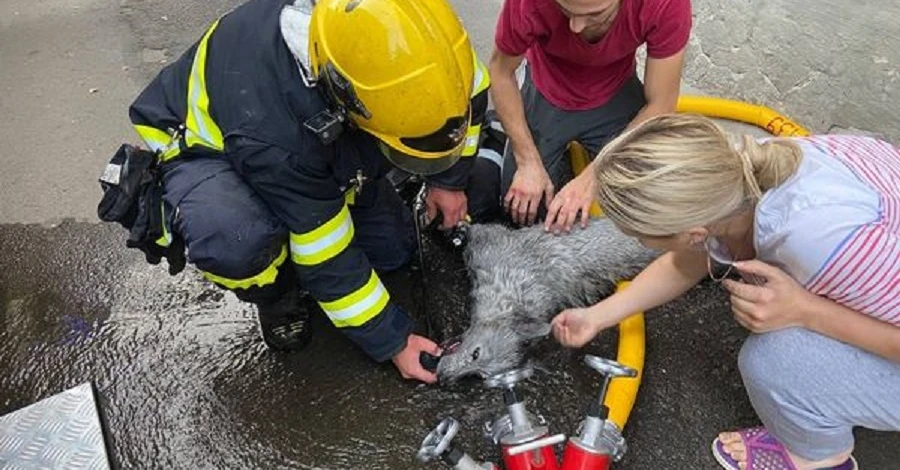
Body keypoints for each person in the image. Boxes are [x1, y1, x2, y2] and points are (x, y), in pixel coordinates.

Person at [118, 0, 491, 385]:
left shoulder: (419, 46)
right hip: (210, 150)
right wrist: (393, 340)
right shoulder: (276, 136)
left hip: (297, 140)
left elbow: (473, 94)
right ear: (347, 101)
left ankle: (325, 198)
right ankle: (276, 293)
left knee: (393, 251)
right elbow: (325, 250)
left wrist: (449, 181)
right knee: (237, 237)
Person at [551, 114, 900, 470]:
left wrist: (805, 310)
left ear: (695, 233)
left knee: (774, 360)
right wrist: (597, 316)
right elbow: (685, 262)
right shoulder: (737, 173)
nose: (636, 241)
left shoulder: (826, 244)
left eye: (640, 236)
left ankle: (820, 456)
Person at [487, 0, 692, 231]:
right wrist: (527, 162)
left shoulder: (665, 4)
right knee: (522, 210)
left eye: (595, 14)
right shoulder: (526, 3)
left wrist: (593, 177)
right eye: (565, 10)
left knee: (650, 201)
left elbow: (661, 104)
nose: (575, 26)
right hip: (547, 88)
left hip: (615, 92)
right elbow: (500, 72)